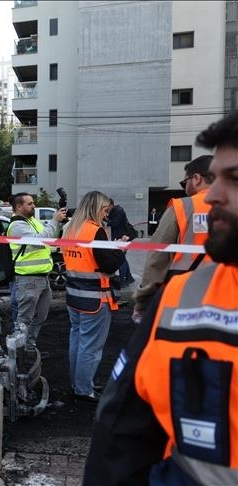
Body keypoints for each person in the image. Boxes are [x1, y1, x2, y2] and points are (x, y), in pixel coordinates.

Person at [83, 111, 238, 485]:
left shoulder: (182, 211)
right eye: (215, 178)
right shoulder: (178, 303)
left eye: (233, 179)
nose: (213, 195)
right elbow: (122, 436)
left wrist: (141, 296)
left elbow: (156, 256)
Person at [61, 191, 127, 403]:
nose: (106, 215)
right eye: (105, 210)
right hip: (95, 299)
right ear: (97, 208)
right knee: (90, 346)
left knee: (77, 341)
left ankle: (79, 383)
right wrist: (121, 249)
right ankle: (83, 389)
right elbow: (109, 265)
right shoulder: (95, 231)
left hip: (74, 295)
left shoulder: (70, 229)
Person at [131, 155, 213, 324]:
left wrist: (142, 299)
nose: (185, 189)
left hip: (186, 293)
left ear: (197, 179)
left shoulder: (183, 207)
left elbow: (157, 258)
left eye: (184, 183)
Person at [6, 192, 68, 355]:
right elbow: (40, 240)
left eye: (33, 203)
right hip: (28, 280)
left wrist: (59, 223)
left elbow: (50, 235)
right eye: (30, 204)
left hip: (42, 278)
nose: (34, 206)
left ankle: (29, 349)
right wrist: (54, 220)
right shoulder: (17, 225)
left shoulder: (32, 221)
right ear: (19, 207)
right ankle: (18, 355)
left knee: (40, 318)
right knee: (23, 321)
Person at [105, 199, 134, 285]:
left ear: (111, 204)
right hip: (119, 237)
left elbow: (115, 223)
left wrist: (105, 218)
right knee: (123, 258)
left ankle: (122, 280)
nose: (105, 208)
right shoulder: (113, 211)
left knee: (121, 258)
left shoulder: (118, 210)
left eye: (106, 206)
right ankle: (129, 277)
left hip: (123, 237)